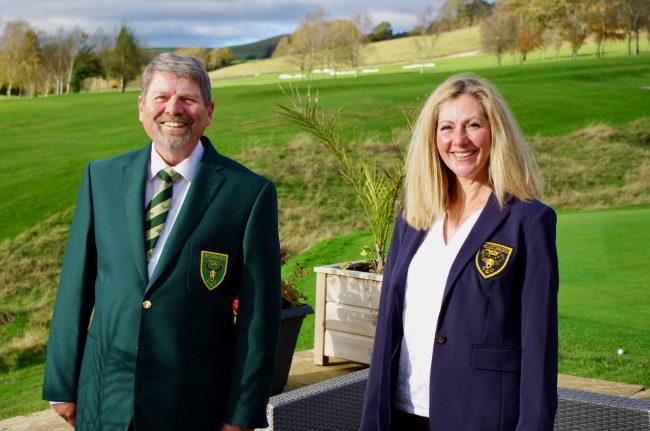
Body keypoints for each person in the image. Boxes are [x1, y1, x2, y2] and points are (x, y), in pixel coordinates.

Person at [42, 52, 281, 431]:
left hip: (192, 405)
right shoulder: (101, 178)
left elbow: (259, 318)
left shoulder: (248, 193)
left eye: (188, 98)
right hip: (103, 395)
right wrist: (61, 383)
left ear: (209, 111)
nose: (174, 109)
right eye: (161, 97)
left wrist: (241, 413)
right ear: (141, 107)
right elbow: (75, 288)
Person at [360, 73, 558, 431]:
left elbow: (539, 345)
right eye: (447, 128)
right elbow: (388, 328)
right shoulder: (413, 217)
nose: (459, 140)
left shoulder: (528, 221)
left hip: (481, 415)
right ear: (433, 137)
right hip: (403, 409)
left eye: (473, 125)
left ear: (495, 132)